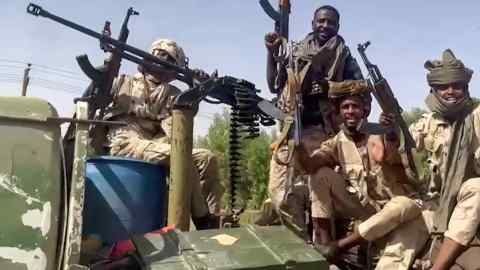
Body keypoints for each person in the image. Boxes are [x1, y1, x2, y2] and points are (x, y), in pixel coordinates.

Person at [297, 80, 428, 269]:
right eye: (345, 107)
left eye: (355, 106)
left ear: (365, 110)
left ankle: (341, 246)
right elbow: (310, 165)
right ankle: (324, 244)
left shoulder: (378, 132)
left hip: (391, 208)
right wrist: (296, 145)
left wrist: (390, 131)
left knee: (404, 203)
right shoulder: (336, 143)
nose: (350, 111)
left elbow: (386, 154)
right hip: (362, 208)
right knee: (319, 175)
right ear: (339, 112)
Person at [263, 5, 365, 244]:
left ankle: (323, 247)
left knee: (320, 194)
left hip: (324, 133)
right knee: (280, 195)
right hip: (291, 131)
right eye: (321, 21)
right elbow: (273, 85)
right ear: (313, 23)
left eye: (330, 22)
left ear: (337, 27)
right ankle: (302, 245)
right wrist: (270, 51)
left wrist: (331, 88)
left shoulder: (344, 55)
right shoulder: (296, 51)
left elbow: (362, 86)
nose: (325, 26)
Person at [104, 39, 224, 229]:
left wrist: (197, 89)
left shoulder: (172, 93)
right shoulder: (124, 82)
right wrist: (108, 67)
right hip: (126, 140)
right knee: (180, 157)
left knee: (207, 158)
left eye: (168, 59)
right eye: (159, 56)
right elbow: (97, 99)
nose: (161, 61)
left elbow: (176, 131)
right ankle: (203, 220)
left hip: (156, 142)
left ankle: (214, 217)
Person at [409, 49, 480, 270]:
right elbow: (400, 151)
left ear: (466, 88)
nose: (451, 92)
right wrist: (391, 133)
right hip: (436, 204)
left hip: (470, 203)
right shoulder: (426, 123)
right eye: (444, 87)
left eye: (457, 86)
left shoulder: (476, 116)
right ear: (434, 89)